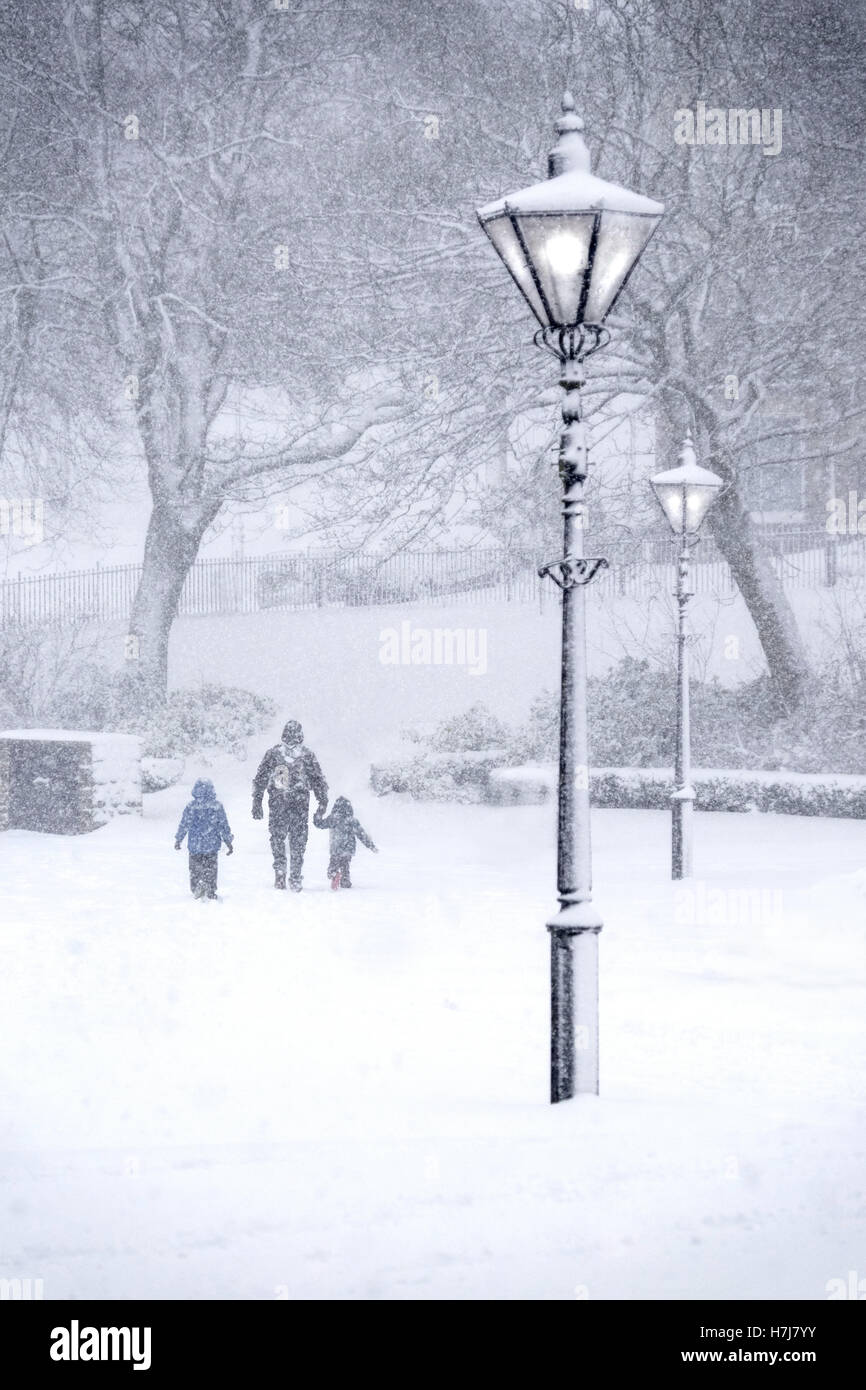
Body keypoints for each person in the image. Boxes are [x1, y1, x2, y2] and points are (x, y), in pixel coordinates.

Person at [252, 719, 328, 891]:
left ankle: (284, 873)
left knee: (280, 839)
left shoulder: (275, 753)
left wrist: (257, 801)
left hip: (281, 803)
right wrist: (322, 801)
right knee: (296, 841)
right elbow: (318, 780)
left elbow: (260, 779)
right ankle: (293, 875)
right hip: (297, 805)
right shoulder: (305, 755)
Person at [174, 778, 233, 900]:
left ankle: (197, 886)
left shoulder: (191, 807)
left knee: (195, 869)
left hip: (195, 846)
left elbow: (184, 824)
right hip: (211, 846)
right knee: (211, 868)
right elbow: (223, 825)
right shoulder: (217, 806)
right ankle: (210, 888)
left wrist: (179, 839)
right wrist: (228, 841)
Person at [313, 796, 377, 890]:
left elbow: (319, 824)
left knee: (332, 867)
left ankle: (334, 874)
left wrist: (318, 814)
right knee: (345, 866)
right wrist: (370, 845)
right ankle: (345, 882)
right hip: (348, 849)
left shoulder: (333, 818)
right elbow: (361, 834)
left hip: (336, 849)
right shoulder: (352, 820)